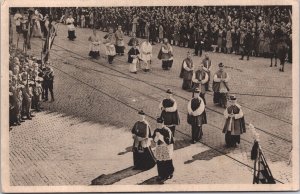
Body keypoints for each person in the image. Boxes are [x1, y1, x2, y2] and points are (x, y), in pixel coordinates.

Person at [153, 117, 175, 184]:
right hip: (159, 147)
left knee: (167, 161)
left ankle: (169, 173)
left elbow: (168, 142)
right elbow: (154, 140)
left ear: (163, 123)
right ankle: (161, 175)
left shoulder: (167, 130)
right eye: (157, 124)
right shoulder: (156, 130)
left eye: (160, 124)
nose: (158, 126)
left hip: (166, 148)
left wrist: (161, 137)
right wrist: (156, 137)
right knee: (159, 161)